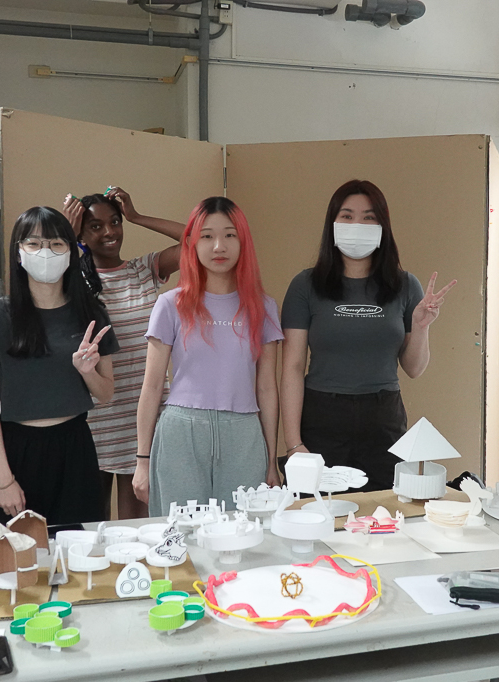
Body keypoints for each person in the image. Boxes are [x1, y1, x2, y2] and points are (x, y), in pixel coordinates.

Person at [279, 179, 455, 493]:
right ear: (332, 224)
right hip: (322, 416)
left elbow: (414, 369)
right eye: (347, 216)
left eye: (368, 217)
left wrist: (422, 326)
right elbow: (292, 367)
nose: (356, 225)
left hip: (383, 418)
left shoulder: (405, 285)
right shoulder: (305, 285)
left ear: (382, 226)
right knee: (318, 509)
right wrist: (294, 444)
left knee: (384, 511)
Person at [0, 206, 118, 525]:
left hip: (74, 449)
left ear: (71, 252)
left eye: (56, 244)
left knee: (77, 550)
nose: (45, 252)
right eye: (33, 244)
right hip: (14, 451)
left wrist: (87, 372)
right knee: (12, 553)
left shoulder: (90, 313)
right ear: (18, 253)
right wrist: (2, 479)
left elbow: (106, 393)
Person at [132, 196, 282, 516]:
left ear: (243, 241)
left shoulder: (264, 307)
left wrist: (271, 460)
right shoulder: (170, 305)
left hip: (244, 434)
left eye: (229, 235)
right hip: (180, 434)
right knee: (181, 533)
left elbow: (267, 388)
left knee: (242, 531)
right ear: (192, 243)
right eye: (207, 236)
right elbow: (152, 386)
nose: (218, 246)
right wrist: (142, 461)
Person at [63, 187, 184, 520]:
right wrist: (66, 234)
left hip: (144, 420)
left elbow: (196, 241)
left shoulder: (144, 270)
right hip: (94, 421)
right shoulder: (72, 280)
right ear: (81, 235)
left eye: (115, 222)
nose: (109, 232)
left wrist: (137, 216)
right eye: (95, 226)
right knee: (92, 528)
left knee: (139, 530)